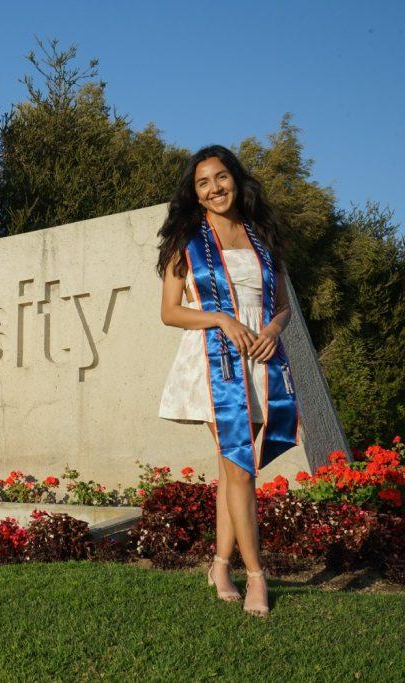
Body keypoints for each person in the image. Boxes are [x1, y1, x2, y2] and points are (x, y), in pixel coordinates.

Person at [155, 144, 299, 618]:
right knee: (240, 468)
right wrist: (219, 317)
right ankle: (255, 574)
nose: (214, 188)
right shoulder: (187, 240)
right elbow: (170, 311)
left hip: (260, 358)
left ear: (235, 180)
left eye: (220, 178)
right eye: (203, 183)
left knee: (230, 470)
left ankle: (219, 564)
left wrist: (275, 329)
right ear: (195, 194)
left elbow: (281, 304)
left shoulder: (262, 236)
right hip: (215, 364)